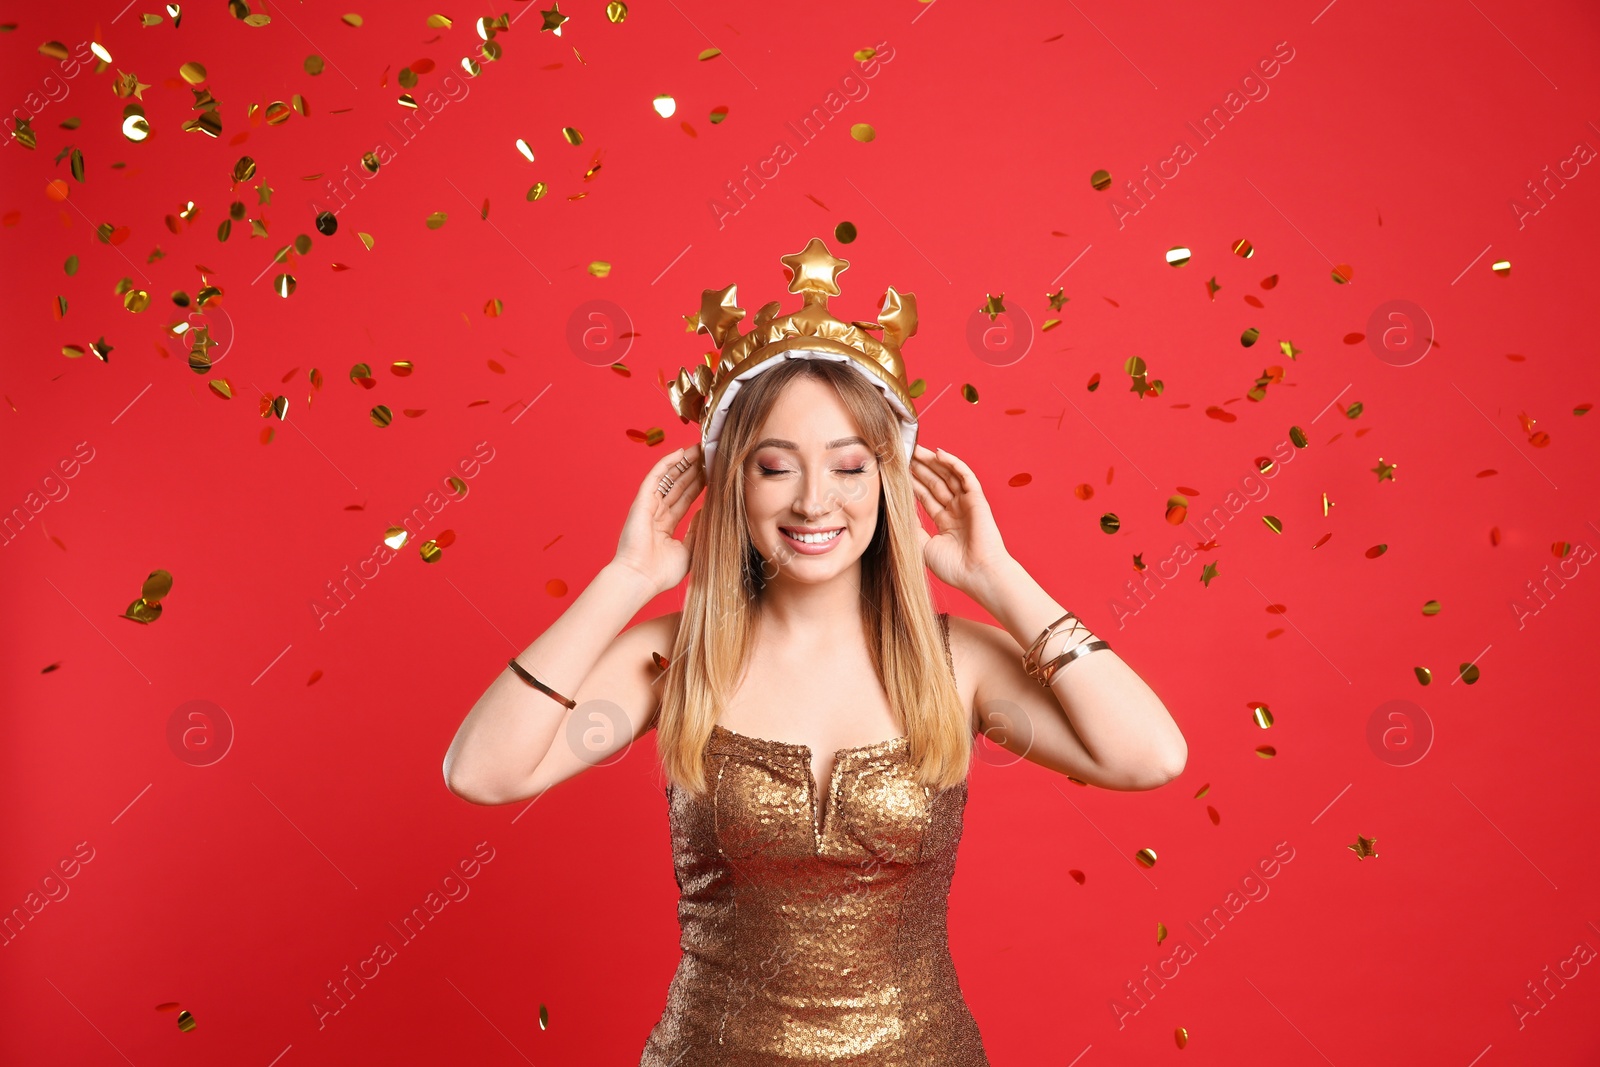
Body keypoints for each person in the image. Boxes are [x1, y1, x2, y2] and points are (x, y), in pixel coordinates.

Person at [442, 237, 1188, 1065]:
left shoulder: (956, 666)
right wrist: (627, 576)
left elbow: (1149, 754)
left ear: (886, 481)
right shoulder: (676, 661)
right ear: (733, 483)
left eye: (848, 465)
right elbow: (484, 772)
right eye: (774, 467)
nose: (813, 500)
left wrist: (996, 576)